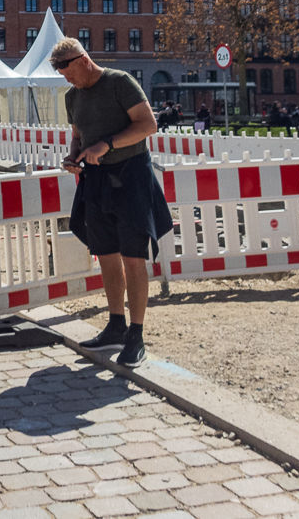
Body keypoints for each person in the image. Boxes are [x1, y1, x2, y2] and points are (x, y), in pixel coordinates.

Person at [53, 37, 171, 369]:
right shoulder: (72, 96)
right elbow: (77, 135)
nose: (66, 78)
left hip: (131, 176)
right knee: (105, 255)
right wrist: (73, 155)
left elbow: (148, 125)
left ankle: (136, 334)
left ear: (83, 59)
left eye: (67, 71)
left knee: (134, 257)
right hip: (97, 181)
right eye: (61, 73)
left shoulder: (120, 82)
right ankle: (116, 324)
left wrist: (107, 145)